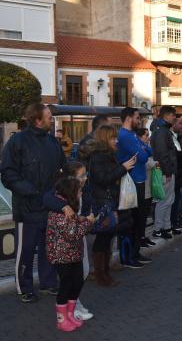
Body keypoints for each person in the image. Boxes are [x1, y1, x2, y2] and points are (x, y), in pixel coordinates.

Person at [0, 103, 65, 303]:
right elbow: (8, 173)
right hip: (27, 208)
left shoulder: (53, 142)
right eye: (49, 116)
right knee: (25, 251)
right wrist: (30, 191)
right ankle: (24, 288)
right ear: (38, 119)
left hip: (49, 206)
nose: (52, 119)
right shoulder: (17, 141)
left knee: (49, 248)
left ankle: (48, 282)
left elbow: (63, 168)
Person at [80, 125, 136, 286]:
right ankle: (101, 275)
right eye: (113, 138)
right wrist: (123, 168)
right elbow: (103, 179)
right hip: (102, 202)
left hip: (108, 200)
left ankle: (104, 273)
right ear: (105, 139)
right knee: (103, 239)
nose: (116, 140)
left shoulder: (107, 155)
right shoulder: (98, 157)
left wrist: (123, 168)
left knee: (106, 237)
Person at [43, 161, 95, 321]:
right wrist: (64, 207)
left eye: (86, 174)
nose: (85, 178)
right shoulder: (59, 192)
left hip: (77, 240)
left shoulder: (83, 189)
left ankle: (72, 307)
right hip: (65, 246)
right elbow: (47, 199)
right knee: (71, 278)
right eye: (81, 176)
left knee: (81, 273)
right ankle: (70, 309)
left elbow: (85, 210)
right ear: (69, 178)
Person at [116, 107, 152, 268]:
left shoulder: (131, 135)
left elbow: (148, 150)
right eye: (137, 117)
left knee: (139, 220)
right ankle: (128, 256)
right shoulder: (125, 136)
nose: (140, 120)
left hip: (138, 180)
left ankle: (135, 252)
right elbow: (144, 156)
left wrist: (143, 149)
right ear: (129, 118)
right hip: (131, 183)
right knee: (132, 222)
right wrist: (143, 149)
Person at [150, 106, 178, 239]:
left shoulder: (162, 130)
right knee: (163, 201)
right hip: (164, 171)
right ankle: (158, 229)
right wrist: (167, 172)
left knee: (169, 200)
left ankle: (166, 227)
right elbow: (162, 153)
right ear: (166, 116)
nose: (175, 118)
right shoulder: (162, 131)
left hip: (166, 170)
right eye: (173, 115)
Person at [136, 128, 157, 248]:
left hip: (148, 185)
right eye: (146, 135)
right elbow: (146, 163)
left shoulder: (146, 147)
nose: (148, 137)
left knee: (144, 214)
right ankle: (140, 237)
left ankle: (143, 236)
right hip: (142, 186)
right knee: (141, 214)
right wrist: (155, 163)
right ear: (139, 137)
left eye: (148, 135)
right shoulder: (139, 148)